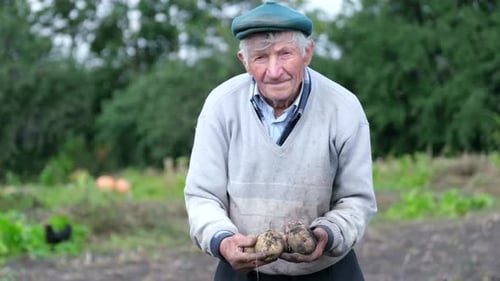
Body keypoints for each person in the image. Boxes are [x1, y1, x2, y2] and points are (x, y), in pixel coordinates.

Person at [184, 1, 377, 280]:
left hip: (328, 271)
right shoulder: (220, 106)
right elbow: (203, 196)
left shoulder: (343, 108)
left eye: (285, 54)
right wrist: (223, 240)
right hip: (243, 272)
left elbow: (356, 199)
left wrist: (327, 234)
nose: (274, 71)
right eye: (261, 57)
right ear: (244, 61)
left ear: (307, 53)